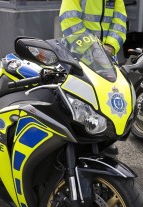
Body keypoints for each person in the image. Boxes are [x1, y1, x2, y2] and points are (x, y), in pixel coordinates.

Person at [59, 0, 127, 155]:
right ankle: (71, 141)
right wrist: (91, 50)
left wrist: (110, 46)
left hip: (105, 56)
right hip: (77, 51)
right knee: (75, 98)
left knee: (104, 100)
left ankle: (101, 139)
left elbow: (120, 23)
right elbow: (70, 21)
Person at [59, 0, 127, 58]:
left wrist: (110, 46)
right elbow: (70, 21)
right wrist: (92, 47)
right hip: (76, 52)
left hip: (106, 55)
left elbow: (119, 24)